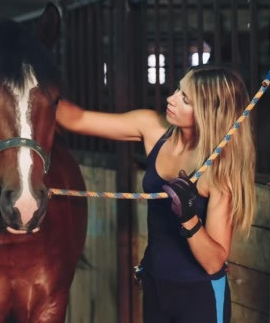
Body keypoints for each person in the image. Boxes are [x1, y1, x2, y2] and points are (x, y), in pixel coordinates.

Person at [56, 65, 256, 323]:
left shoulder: (217, 170)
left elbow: (214, 263)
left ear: (208, 112)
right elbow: (76, 119)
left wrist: (189, 219)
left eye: (185, 99)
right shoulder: (152, 128)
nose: (170, 99)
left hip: (199, 295)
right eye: (177, 89)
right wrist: (29, 83)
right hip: (156, 284)